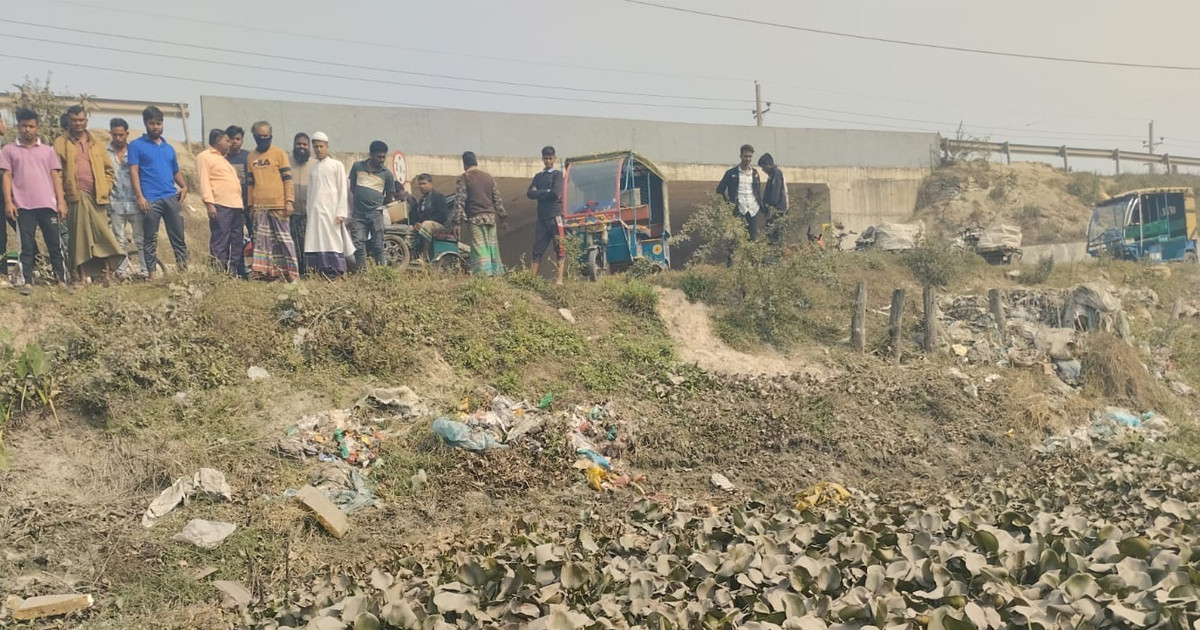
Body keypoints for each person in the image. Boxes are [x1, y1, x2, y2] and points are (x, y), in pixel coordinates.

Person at [0, 108, 69, 294]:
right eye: (24, 126)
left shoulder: (48, 151)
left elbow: (56, 177)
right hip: (23, 206)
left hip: (47, 204)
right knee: (26, 246)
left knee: (55, 244)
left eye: (31, 126)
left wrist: (61, 202)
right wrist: (8, 202)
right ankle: (27, 282)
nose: (27, 130)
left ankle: (61, 279)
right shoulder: (9, 150)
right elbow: (7, 176)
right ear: (18, 127)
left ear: (38, 128)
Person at [54, 105, 126, 282]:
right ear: (68, 121)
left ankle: (106, 274)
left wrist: (104, 188)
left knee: (102, 235)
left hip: (97, 198)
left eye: (81, 120)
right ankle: (81, 276)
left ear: (86, 121)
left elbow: (109, 170)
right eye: (74, 120)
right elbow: (57, 172)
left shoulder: (96, 143)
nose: (78, 123)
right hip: (75, 196)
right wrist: (62, 197)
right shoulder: (60, 143)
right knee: (79, 238)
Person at [128, 105, 189, 274]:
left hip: (170, 197)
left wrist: (184, 186)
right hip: (150, 199)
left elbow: (175, 171)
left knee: (178, 237)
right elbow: (134, 171)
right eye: (152, 123)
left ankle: (183, 273)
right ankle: (152, 274)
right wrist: (140, 196)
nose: (156, 127)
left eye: (159, 123)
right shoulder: (136, 145)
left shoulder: (168, 148)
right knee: (150, 238)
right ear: (145, 123)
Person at [245, 121, 298, 281]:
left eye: (266, 136)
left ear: (271, 136)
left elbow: (288, 180)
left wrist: (289, 201)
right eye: (259, 136)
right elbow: (250, 184)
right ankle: (265, 273)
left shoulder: (279, 154)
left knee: (284, 240)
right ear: (254, 136)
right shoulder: (251, 157)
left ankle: (291, 273)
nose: (263, 139)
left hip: (278, 204)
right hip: (260, 206)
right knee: (262, 242)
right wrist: (250, 205)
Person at [304, 132, 354, 277]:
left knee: (333, 241)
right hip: (315, 213)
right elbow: (310, 194)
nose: (318, 149)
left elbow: (342, 190)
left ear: (327, 147)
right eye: (316, 147)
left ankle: (337, 272)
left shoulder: (337, 165)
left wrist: (341, 212)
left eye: (321, 146)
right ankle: (319, 272)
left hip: (332, 213)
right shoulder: (312, 169)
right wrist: (309, 213)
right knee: (316, 241)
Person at [197, 128, 244, 274]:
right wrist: (209, 204)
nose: (230, 144)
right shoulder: (204, 157)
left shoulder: (223, 159)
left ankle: (232, 272)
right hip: (220, 205)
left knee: (236, 240)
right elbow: (204, 181)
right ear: (217, 141)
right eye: (227, 141)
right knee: (220, 240)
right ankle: (218, 273)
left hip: (235, 205)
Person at [452, 151, 507, 276]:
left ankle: (483, 275)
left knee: (479, 248)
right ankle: (496, 274)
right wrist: (503, 219)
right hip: (491, 218)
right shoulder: (489, 177)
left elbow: (459, 201)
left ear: (464, 164)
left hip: (475, 218)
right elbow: (497, 200)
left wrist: (457, 222)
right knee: (492, 247)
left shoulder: (465, 178)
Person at [107, 117, 147, 279]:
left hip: (136, 202)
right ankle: (122, 273)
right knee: (119, 240)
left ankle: (145, 270)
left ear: (127, 134)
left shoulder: (134, 152)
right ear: (111, 133)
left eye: (121, 135)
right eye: (115, 135)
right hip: (115, 202)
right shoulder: (105, 153)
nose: (118, 138)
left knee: (141, 239)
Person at [348, 140, 395, 269]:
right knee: (358, 243)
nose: (381, 160)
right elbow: (352, 188)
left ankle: (382, 272)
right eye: (379, 157)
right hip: (358, 214)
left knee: (378, 244)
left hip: (376, 214)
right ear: (371, 154)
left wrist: (376, 205)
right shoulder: (357, 167)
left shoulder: (387, 174)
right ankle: (362, 272)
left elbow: (389, 197)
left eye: (384, 157)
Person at [526, 145, 565, 284]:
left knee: (560, 248)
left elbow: (555, 193)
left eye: (550, 158)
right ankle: (531, 280)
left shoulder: (557, 175)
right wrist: (546, 191)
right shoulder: (538, 176)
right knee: (537, 249)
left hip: (555, 216)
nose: (548, 161)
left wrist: (539, 193)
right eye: (546, 158)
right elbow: (529, 193)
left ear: (554, 158)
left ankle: (559, 279)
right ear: (542, 159)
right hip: (542, 218)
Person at [715, 143, 765, 241]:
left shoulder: (755, 173)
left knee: (751, 239)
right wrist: (728, 204)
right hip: (738, 209)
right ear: (740, 156)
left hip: (753, 209)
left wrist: (760, 205)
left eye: (750, 156)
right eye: (745, 156)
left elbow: (757, 191)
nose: (747, 159)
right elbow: (719, 190)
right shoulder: (731, 173)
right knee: (736, 239)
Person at [225, 125, 250, 278]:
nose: (235, 142)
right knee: (236, 238)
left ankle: (258, 269)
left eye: (238, 139)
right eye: (232, 138)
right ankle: (238, 268)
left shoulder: (248, 157)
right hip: (232, 205)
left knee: (255, 236)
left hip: (249, 203)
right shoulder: (223, 158)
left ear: (242, 141)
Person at [408, 173, 449, 262]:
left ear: (431, 183)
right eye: (420, 184)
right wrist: (416, 223)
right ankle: (411, 256)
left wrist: (424, 223)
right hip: (424, 226)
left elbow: (442, 216)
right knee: (409, 230)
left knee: (427, 224)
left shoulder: (438, 197)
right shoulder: (421, 201)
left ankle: (424, 256)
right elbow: (415, 216)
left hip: (438, 226)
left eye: (424, 183)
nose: (422, 186)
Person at [290, 132, 312, 275]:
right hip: (291, 212)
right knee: (293, 243)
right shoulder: (286, 162)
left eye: (304, 144)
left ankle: (309, 270)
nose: (301, 147)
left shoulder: (315, 164)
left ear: (309, 146)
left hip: (308, 213)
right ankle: (295, 271)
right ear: (294, 145)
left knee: (307, 243)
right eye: (299, 144)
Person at [758, 152, 788, 242]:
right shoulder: (771, 176)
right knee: (770, 236)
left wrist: (771, 208)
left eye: (763, 167)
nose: (763, 170)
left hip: (777, 211)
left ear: (768, 164)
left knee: (775, 236)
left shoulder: (776, 173)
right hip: (773, 211)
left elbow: (775, 193)